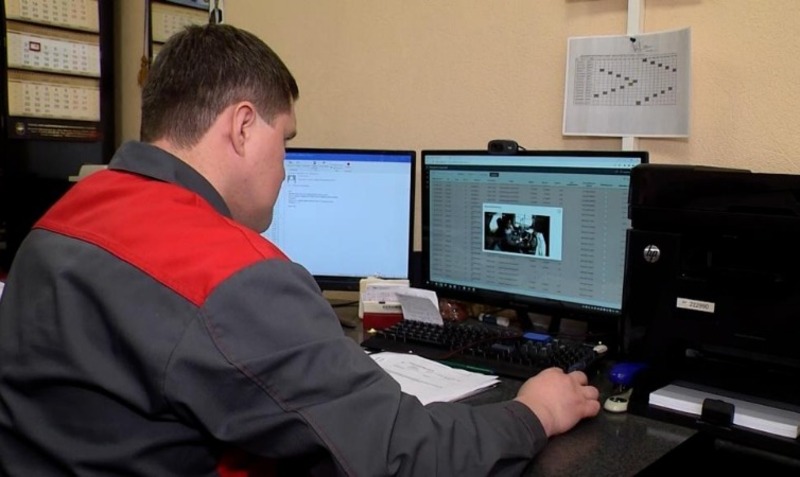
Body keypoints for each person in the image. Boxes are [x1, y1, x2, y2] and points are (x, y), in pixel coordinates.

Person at [0, 23, 600, 476]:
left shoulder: (62, 217)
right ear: (242, 127)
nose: (285, 166)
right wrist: (535, 412)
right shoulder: (232, 273)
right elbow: (401, 453)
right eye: (285, 139)